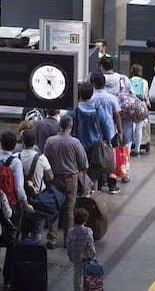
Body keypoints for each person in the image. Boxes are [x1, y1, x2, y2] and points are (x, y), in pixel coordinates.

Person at [0, 131, 34, 286]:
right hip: (11, 206)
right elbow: (18, 188)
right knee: (12, 241)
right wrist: (25, 204)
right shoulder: (15, 162)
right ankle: (8, 278)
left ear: (0, 142)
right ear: (15, 144)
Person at [44, 115, 89, 249]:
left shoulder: (50, 141)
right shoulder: (75, 142)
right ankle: (67, 241)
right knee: (69, 210)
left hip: (53, 178)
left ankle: (51, 239)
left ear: (60, 125)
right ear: (70, 126)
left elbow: (45, 160)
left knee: (53, 208)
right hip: (70, 179)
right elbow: (84, 163)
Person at [100, 55, 134, 183]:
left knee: (103, 146)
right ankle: (123, 173)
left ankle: (104, 175)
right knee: (124, 144)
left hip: (104, 119)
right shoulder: (122, 78)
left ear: (101, 67)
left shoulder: (98, 80)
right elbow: (132, 95)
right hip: (121, 117)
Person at [16, 130, 53, 240]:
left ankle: (21, 249)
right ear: (35, 142)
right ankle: (35, 251)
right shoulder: (41, 158)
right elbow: (50, 177)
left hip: (20, 197)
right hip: (38, 197)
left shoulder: (15, 157)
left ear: (22, 142)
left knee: (22, 226)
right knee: (37, 229)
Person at [91, 73, 123, 193]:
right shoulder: (111, 98)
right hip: (111, 132)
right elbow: (117, 115)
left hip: (95, 134)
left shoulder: (91, 98)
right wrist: (120, 131)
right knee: (111, 159)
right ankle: (112, 186)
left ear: (93, 84)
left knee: (97, 158)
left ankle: (97, 186)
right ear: (104, 84)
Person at [67, 208, 96, 291]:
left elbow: (69, 245)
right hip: (87, 258)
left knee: (77, 276)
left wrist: (70, 256)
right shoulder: (88, 231)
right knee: (87, 276)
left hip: (76, 258)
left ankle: (77, 289)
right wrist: (93, 256)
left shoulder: (70, 231)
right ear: (85, 220)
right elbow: (91, 245)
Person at [129, 64, 150, 156]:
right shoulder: (144, 82)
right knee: (139, 129)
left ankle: (128, 150)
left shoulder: (128, 81)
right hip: (141, 107)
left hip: (131, 106)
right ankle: (137, 151)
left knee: (131, 129)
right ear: (140, 72)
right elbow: (145, 95)